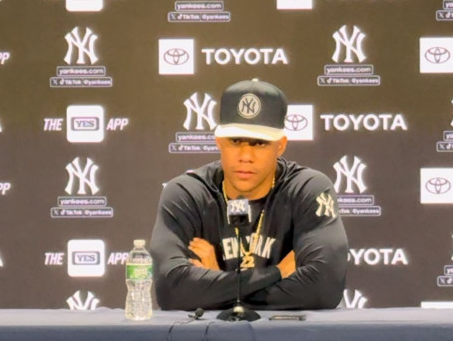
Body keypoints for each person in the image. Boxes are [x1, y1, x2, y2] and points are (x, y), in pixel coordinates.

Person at [149, 79, 348, 311]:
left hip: (292, 339)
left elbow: (324, 288)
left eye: (260, 143)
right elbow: (172, 293)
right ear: (218, 141)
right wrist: (277, 273)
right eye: (235, 141)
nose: (245, 156)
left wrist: (216, 285)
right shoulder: (187, 194)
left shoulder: (307, 189)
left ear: (280, 145)